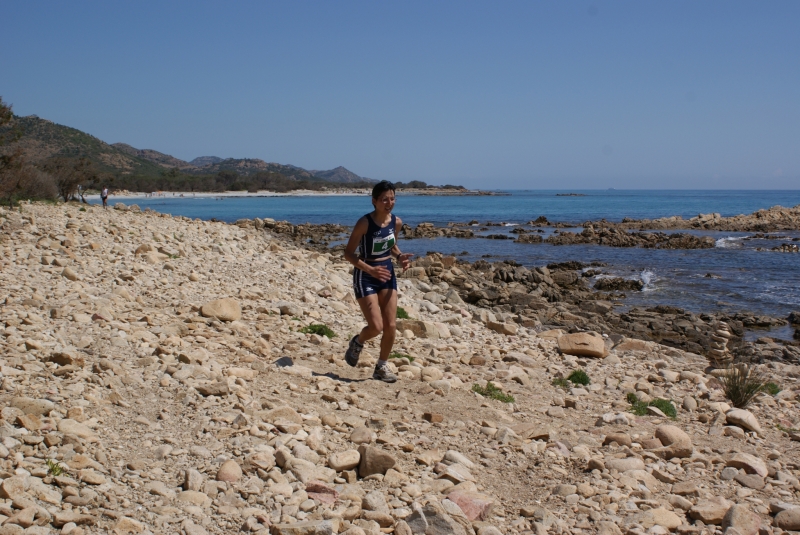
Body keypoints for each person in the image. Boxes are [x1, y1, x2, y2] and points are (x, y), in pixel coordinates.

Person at [343, 181, 413, 382]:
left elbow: (391, 246)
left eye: (392, 198)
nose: (389, 203)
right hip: (365, 275)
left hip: (387, 275)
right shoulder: (364, 223)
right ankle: (358, 341)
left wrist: (400, 257)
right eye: (384, 199)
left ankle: (381, 367)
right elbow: (348, 254)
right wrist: (370, 269)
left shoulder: (396, 222)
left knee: (391, 325)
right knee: (376, 326)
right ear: (374, 201)